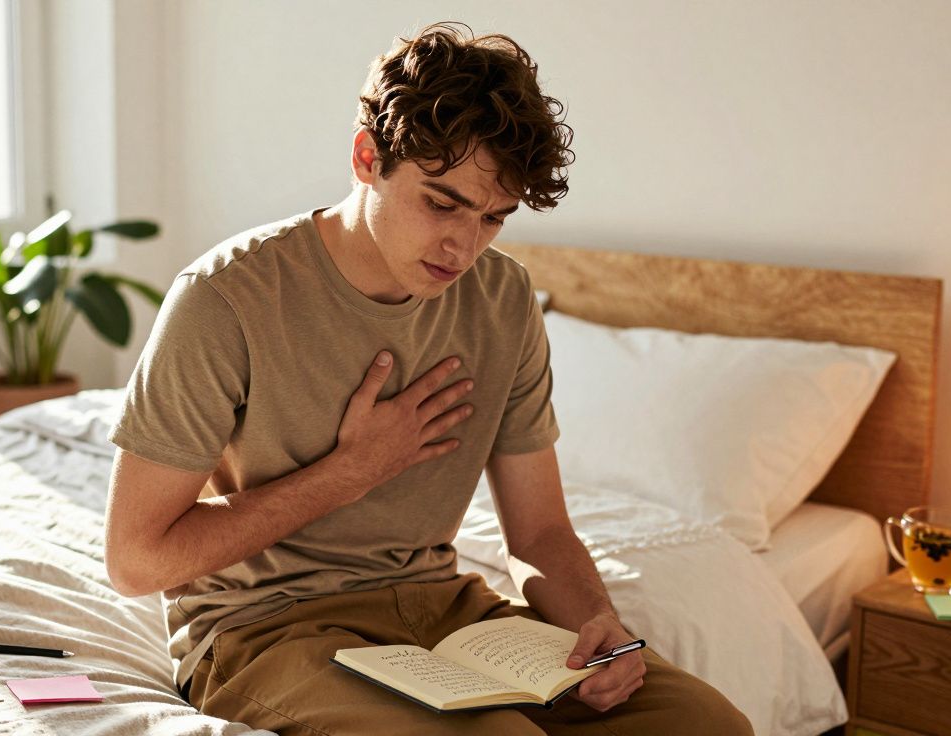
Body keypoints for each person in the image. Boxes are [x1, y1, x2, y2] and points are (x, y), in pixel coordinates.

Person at [104, 21, 753, 736]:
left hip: (446, 616)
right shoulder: (226, 298)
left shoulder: (503, 299)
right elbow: (137, 559)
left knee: (708, 723)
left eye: (494, 218)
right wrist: (349, 473)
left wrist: (600, 626)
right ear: (365, 158)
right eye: (441, 203)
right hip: (269, 631)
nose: (463, 245)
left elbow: (538, 531)